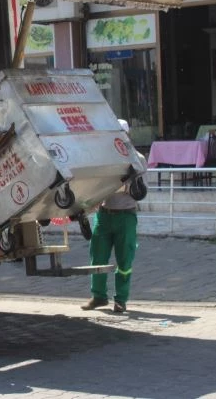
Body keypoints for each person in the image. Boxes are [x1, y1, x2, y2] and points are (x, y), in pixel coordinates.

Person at [81, 118, 146, 314]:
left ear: (127, 136)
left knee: (124, 261)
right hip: (103, 215)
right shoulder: (102, 158)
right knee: (98, 257)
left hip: (125, 217)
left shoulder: (137, 159)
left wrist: (113, 188)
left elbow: (140, 191)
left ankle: (121, 300)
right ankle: (98, 296)